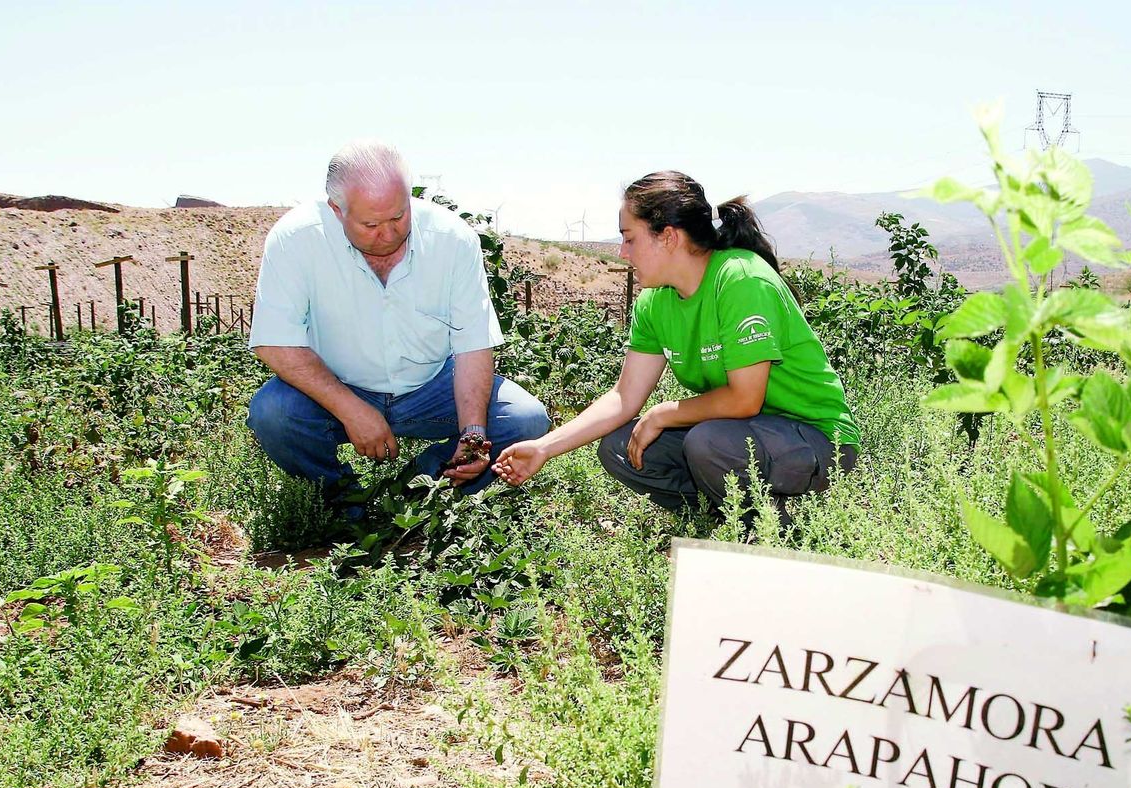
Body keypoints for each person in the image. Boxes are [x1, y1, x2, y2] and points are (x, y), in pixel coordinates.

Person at [492, 171, 858, 521]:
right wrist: (545, 447)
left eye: (630, 238)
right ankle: (717, 517)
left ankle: (767, 536)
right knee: (619, 447)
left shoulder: (740, 279)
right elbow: (623, 397)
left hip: (817, 439)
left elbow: (745, 399)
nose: (622, 252)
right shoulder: (655, 302)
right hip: (741, 435)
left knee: (709, 441)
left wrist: (662, 413)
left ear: (667, 237)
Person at [247, 141, 548, 505]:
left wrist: (472, 435)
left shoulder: (451, 239)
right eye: (370, 224)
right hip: (341, 385)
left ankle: (419, 490)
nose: (388, 234)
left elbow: (472, 344)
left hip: (431, 388)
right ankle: (342, 503)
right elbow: (275, 342)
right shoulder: (296, 239)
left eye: (399, 216)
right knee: (273, 413)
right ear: (336, 210)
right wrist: (350, 408)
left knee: (525, 419)